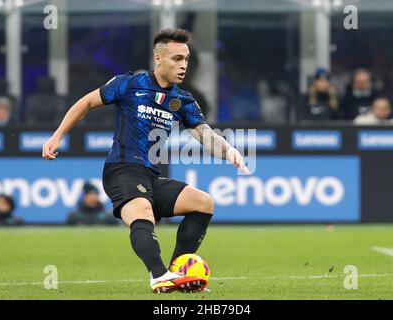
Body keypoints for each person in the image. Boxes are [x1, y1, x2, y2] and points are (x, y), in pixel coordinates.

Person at [42, 29, 249, 293]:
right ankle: (158, 275)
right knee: (142, 212)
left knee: (203, 203)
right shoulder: (129, 84)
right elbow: (86, 103)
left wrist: (229, 151)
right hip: (122, 170)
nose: (183, 65)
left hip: (150, 176)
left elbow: (205, 134)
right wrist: (58, 136)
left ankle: (176, 274)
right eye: (176, 58)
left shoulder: (182, 100)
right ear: (158, 59)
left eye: (186, 59)